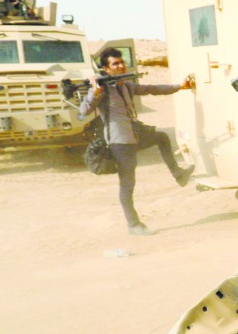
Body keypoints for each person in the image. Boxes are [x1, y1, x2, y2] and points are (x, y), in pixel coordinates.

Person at [80, 48, 195, 235]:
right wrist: (95, 91)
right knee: (127, 183)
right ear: (106, 69)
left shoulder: (125, 85)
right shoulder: (102, 89)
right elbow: (83, 110)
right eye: (115, 64)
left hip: (133, 136)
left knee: (162, 137)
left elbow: (152, 89)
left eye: (121, 62)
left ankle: (179, 175)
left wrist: (179, 87)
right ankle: (133, 225)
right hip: (120, 142)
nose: (120, 66)